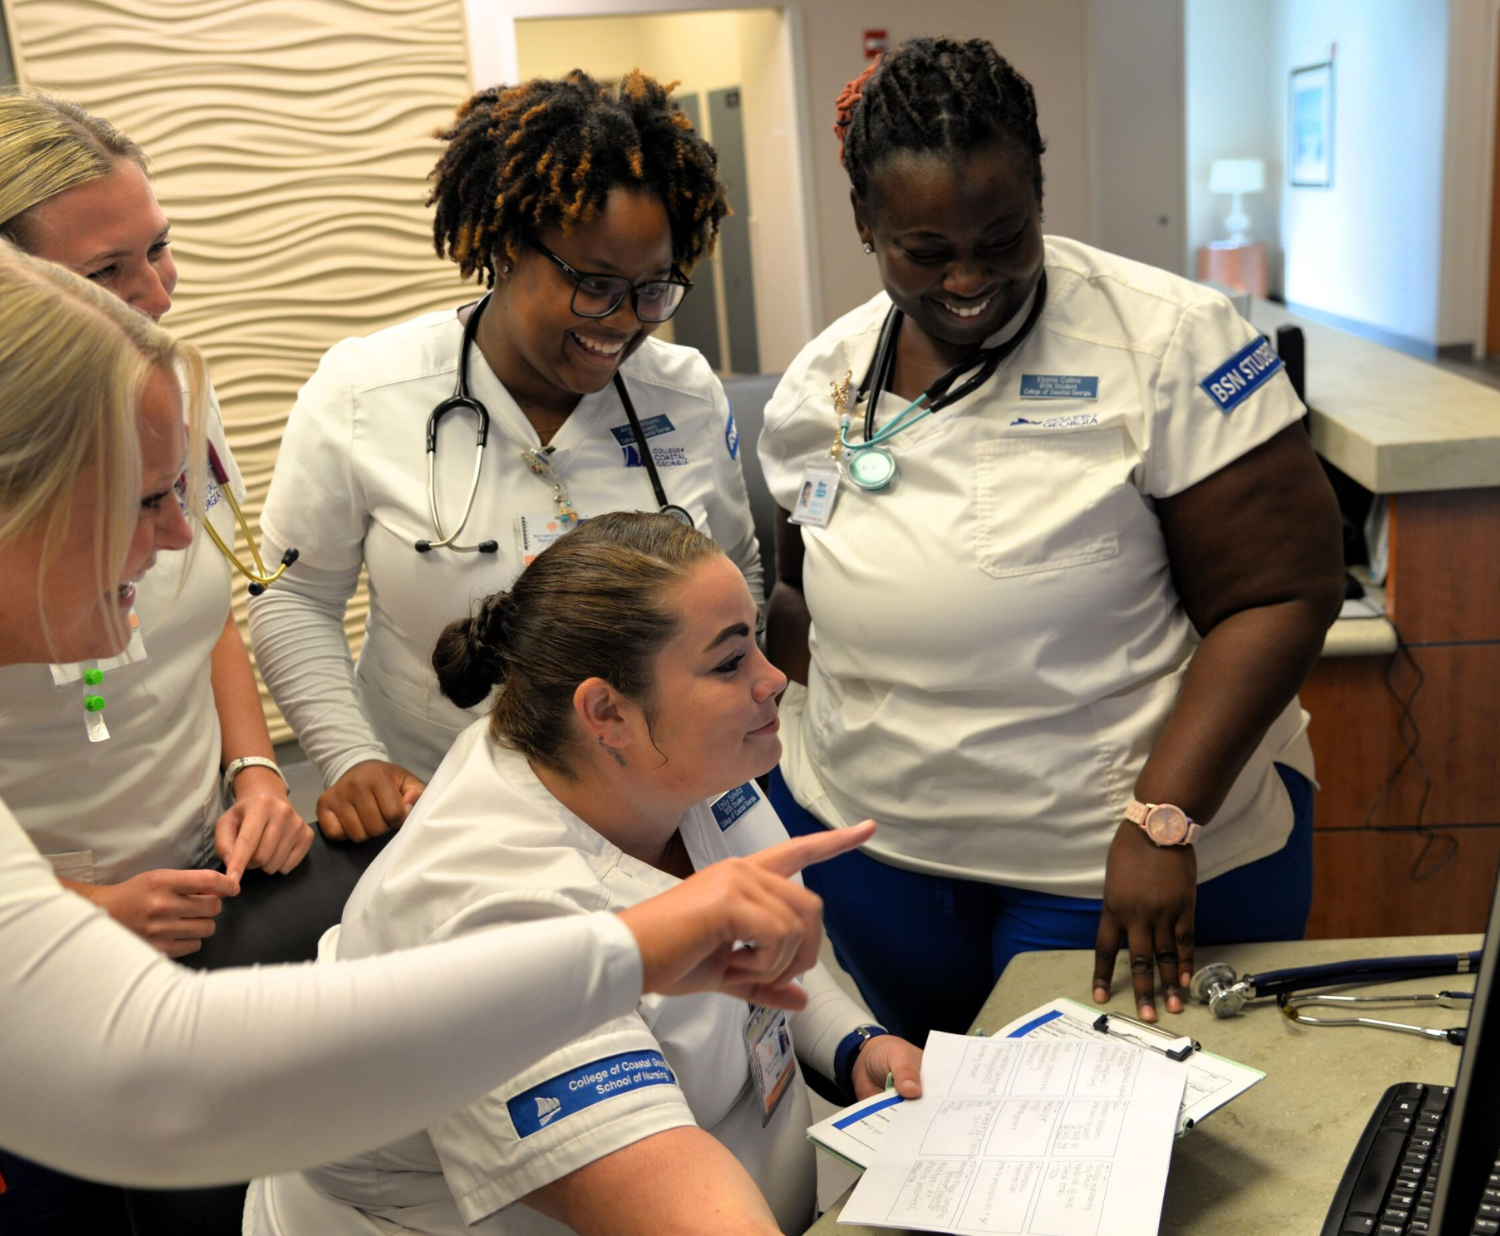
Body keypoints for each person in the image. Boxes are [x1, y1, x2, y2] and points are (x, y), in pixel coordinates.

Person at [0, 240, 866, 1199]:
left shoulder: (688, 782)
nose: (176, 541)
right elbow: (159, 1077)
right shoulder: (492, 884)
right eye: (147, 497)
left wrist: (676, 962)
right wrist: (633, 950)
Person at [758, 37, 1345, 1046]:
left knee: (1098, 1173)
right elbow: (802, 597)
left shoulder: (1170, 340)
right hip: (877, 849)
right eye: (927, 251)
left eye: (1004, 233)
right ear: (866, 223)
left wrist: (1162, 819)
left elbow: (1284, 594)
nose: (971, 278)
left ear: (1039, 191)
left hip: (1113, 862)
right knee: (939, 1141)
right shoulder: (825, 378)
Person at [246, 512, 922, 1236]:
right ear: (606, 711)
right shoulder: (490, 914)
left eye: (754, 642)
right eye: (729, 663)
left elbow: (767, 980)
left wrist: (856, 1045)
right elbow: (672, 1199)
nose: (775, 679)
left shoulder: (678, 761)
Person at [249, 70, 762, 847]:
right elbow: (293, 600)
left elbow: (739, 568)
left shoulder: (684, 395)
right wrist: (350, 758)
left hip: (660, 812)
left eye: (652, 289)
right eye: (593, 285)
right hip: (443, 811)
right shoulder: (365, 390)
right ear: (509, 243)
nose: (623, 323)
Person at [0, 91, 311, 960]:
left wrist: (254, 772)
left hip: (204, 869)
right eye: (107, 272)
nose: (156, 293)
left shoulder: (163, 392)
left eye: (160, 248)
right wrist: (73, 909)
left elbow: (198, 602)